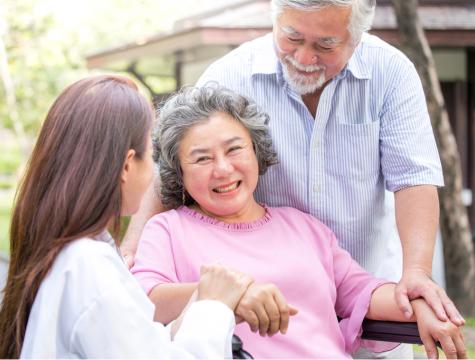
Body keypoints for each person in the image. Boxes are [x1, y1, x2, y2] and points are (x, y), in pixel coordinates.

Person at [121, 2, 465, 350]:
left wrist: (417, 287)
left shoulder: (389, 73)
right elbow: (141, 297)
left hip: (363, 295)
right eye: (292, 36)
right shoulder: (230, 75)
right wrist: (134, 249)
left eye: (325, 44)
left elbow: (414, 178)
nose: (303, 55)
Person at [0, 75, 254, 359]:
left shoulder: (67, 254)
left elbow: (138, 342)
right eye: (152, 156)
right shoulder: (89, 267)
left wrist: (202, 299)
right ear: (126, 165)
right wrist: (214, 308)